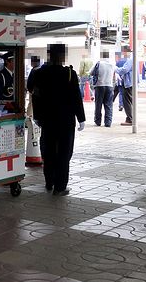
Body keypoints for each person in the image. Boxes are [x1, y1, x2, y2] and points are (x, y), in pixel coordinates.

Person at [27, 44, 85, 196]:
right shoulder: (69, 73)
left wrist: (37, 116)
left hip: (47, 119)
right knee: (64, 152)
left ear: (49, 55)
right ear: (62, 56)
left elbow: (33, 92)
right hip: (66, 120)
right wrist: (81, 118)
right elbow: (76, 98)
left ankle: (49, 181)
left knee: (48, 150)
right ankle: (60, 186)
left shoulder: (40, 73)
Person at [89, 51, 115, 127]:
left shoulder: (98, 63)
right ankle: (108, 122)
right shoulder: (112, 64)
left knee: (98, 105)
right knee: (109, 105)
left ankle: (98, 121)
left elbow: (91, 72)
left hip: (99, 86)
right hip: (109, 86)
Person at [116, 47, 133, 126]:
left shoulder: (129, 60)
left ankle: (130, 119)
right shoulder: (134, 59)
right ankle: (131, 118)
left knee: (127, 102)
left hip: (128, 83)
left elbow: (124, 70)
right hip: (131, 82)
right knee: (130, 101)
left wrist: (116, 69)